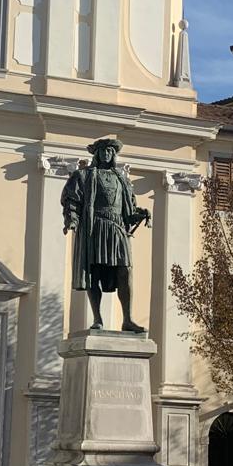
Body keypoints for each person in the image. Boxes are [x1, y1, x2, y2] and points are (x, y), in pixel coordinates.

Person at [61, 137, 150, 332]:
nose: (106, 154)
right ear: (96, 154)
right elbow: (72, 200)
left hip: (117, 228)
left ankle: (127, 319)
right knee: (94, 272)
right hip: (95, 226)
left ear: (114, 155)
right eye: (102, 150)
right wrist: (72, 220)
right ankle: (98, 318)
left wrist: (139, 215)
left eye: (110, 151)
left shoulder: (123, 180)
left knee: (125, 271)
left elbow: (129, 213)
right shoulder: (83, 176)